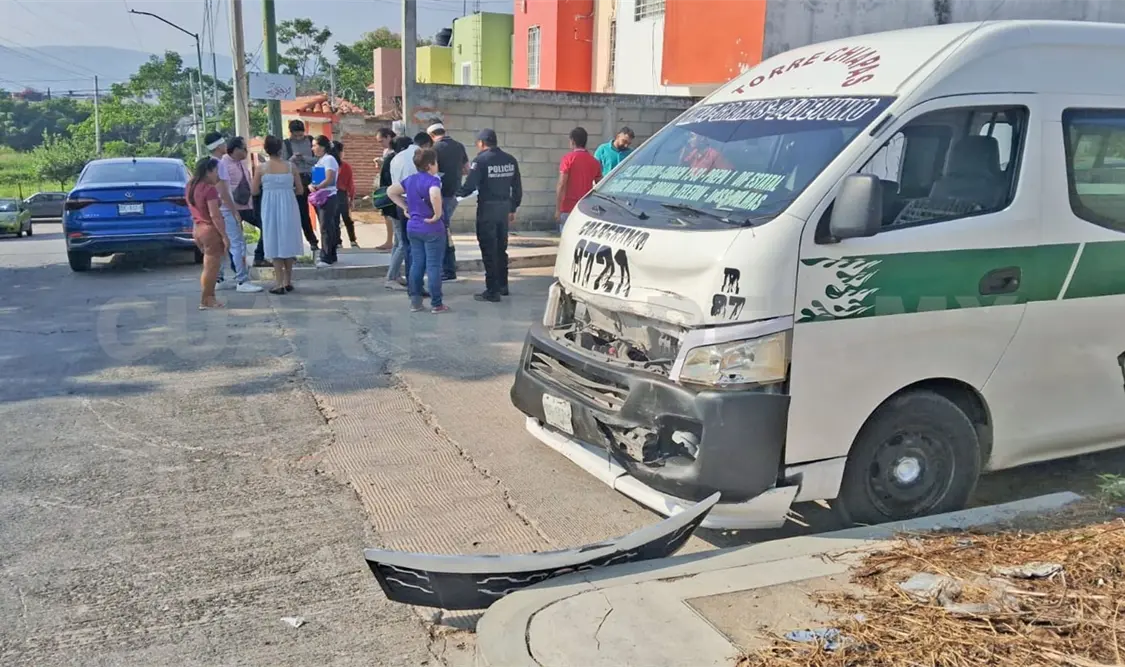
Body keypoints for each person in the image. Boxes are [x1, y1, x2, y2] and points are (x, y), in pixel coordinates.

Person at [455, 128, 522, 303]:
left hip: (487, 210)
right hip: (503, 209)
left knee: (488, 249)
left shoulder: (480, 161)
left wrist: (454, 194)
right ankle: (502, 285)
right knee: (501, 248)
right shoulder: (510, 160)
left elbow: (469, 186)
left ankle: (492, 291)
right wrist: (513, 208)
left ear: (482, 143)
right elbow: (517, 187)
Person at [387, 147, 449, 314]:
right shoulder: (433, 180)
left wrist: (405, 207)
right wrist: (437, 214)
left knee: (416, 265)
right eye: (436, 162)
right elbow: (435, 194)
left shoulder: (410, 180)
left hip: (413, 228)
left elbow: (391, 191)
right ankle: (437, 304)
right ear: (430, 165)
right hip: (432, 229)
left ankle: (415, 303)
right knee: (434, 266)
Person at [253, 135, 305, 295]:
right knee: (287, 239)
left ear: (266, 150)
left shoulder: (261, 168)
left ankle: (279, 283)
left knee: (273, 239)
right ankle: (288, 281)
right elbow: (301, 190)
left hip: (270, 205)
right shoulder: (291, 167)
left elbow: (254, 190)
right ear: (280, 149)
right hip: (289, 204)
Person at [384, 133, 433, 291]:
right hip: (418, 204)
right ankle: (416, 285)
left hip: (400, 204)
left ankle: (413, 285)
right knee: (419, 248)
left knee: (406, 246)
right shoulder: (421, 156)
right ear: (426, 145)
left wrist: (404, 206)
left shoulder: (396, 158)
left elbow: (393, 188)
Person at [218, 137, 264, 293]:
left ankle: (258, 257)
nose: (246, 152)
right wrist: (233, 211)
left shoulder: (242, 163)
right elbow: (223, 190)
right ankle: (240, 279)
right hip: (231, 208)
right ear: (236, 149)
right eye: (244, 149)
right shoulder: (222, 164)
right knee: (236, 244)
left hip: (247, 205)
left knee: (264, 227)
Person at [185, 157, 229, 309]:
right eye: (216, 171)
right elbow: (215, 215)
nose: (218, 175)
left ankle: (208, 297)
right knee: (212, 267)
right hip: (210, 229)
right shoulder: (209, 189)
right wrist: (224, 236)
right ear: (208, 171)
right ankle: (207, 299)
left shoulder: (190, 186)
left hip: (198, 228)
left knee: (208, 266)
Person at [429, 122, 469, 281]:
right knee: (444, 229)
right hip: (455, 195)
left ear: (432, 136)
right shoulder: (459, 146)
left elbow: (431, 172)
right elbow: (467, 169)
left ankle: (448, 269)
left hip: (440, 195)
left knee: (441, 232)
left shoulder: (434, 149)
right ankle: (447, 268)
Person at [281, 120, 320, 254]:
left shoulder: (311, 141)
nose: (298, 138)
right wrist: (292, 159)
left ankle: (332, 240)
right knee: (303, 212)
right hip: (297, 178)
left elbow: (319, 160)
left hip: (316, 174)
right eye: (295, 135)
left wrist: (304, 158)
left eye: (300, 135)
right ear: (290, 133)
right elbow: (282, 163)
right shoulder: (286, 144)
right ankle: (312, 241)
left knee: (322, 208)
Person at [556, 127, 603, 232]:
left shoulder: (568, 159)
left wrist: (557, 209)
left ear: (572, 141)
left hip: (568, 208)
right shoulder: (594, 162)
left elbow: (561, 184)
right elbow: (601, 185)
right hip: (585, 208)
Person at [310, 135, 341, 268]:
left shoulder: (329, 159)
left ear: (322, 147)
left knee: (326, 227)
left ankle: (326, 256)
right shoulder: (321, 160)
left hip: (328, 195)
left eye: (315, 145)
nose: (313, 148)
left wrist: (317, 187)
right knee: (327, 225)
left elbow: (329, 178)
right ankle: (331, 254)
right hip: (321, 195)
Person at [373, 127, 397, 250]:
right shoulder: (386, 151)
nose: (381, 144)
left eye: (381, 141)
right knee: (387, 214)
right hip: (387, 186)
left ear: (388, 137)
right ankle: (389, 240)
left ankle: (392, 241)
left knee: (393, 214)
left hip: (394, 187)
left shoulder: (396, 150)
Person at [334, 141, 359, 248]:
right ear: (340, 152)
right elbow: (350, 184)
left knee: (334, 220)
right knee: (347, 218)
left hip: (330, 194)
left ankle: (338, 242)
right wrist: (352, 198)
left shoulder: (323, 164)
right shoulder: (345, 166)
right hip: (342, 194)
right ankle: (352, 240)